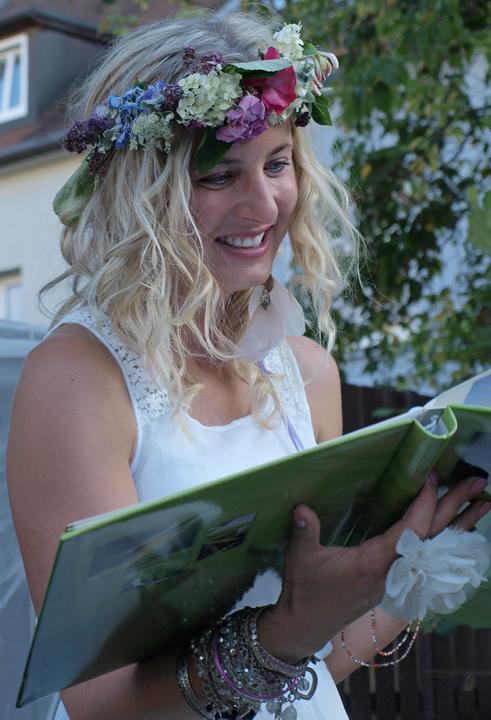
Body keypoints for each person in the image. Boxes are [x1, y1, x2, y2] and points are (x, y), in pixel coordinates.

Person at [6, 11, 490, 720]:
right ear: (145, 189)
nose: (263, 205)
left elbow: (314, 665)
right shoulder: (79, 380)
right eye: (219, 174)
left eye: (276, 164)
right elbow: (101, 705)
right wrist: (289, 628)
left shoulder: (307, 372)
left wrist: (418, 556)